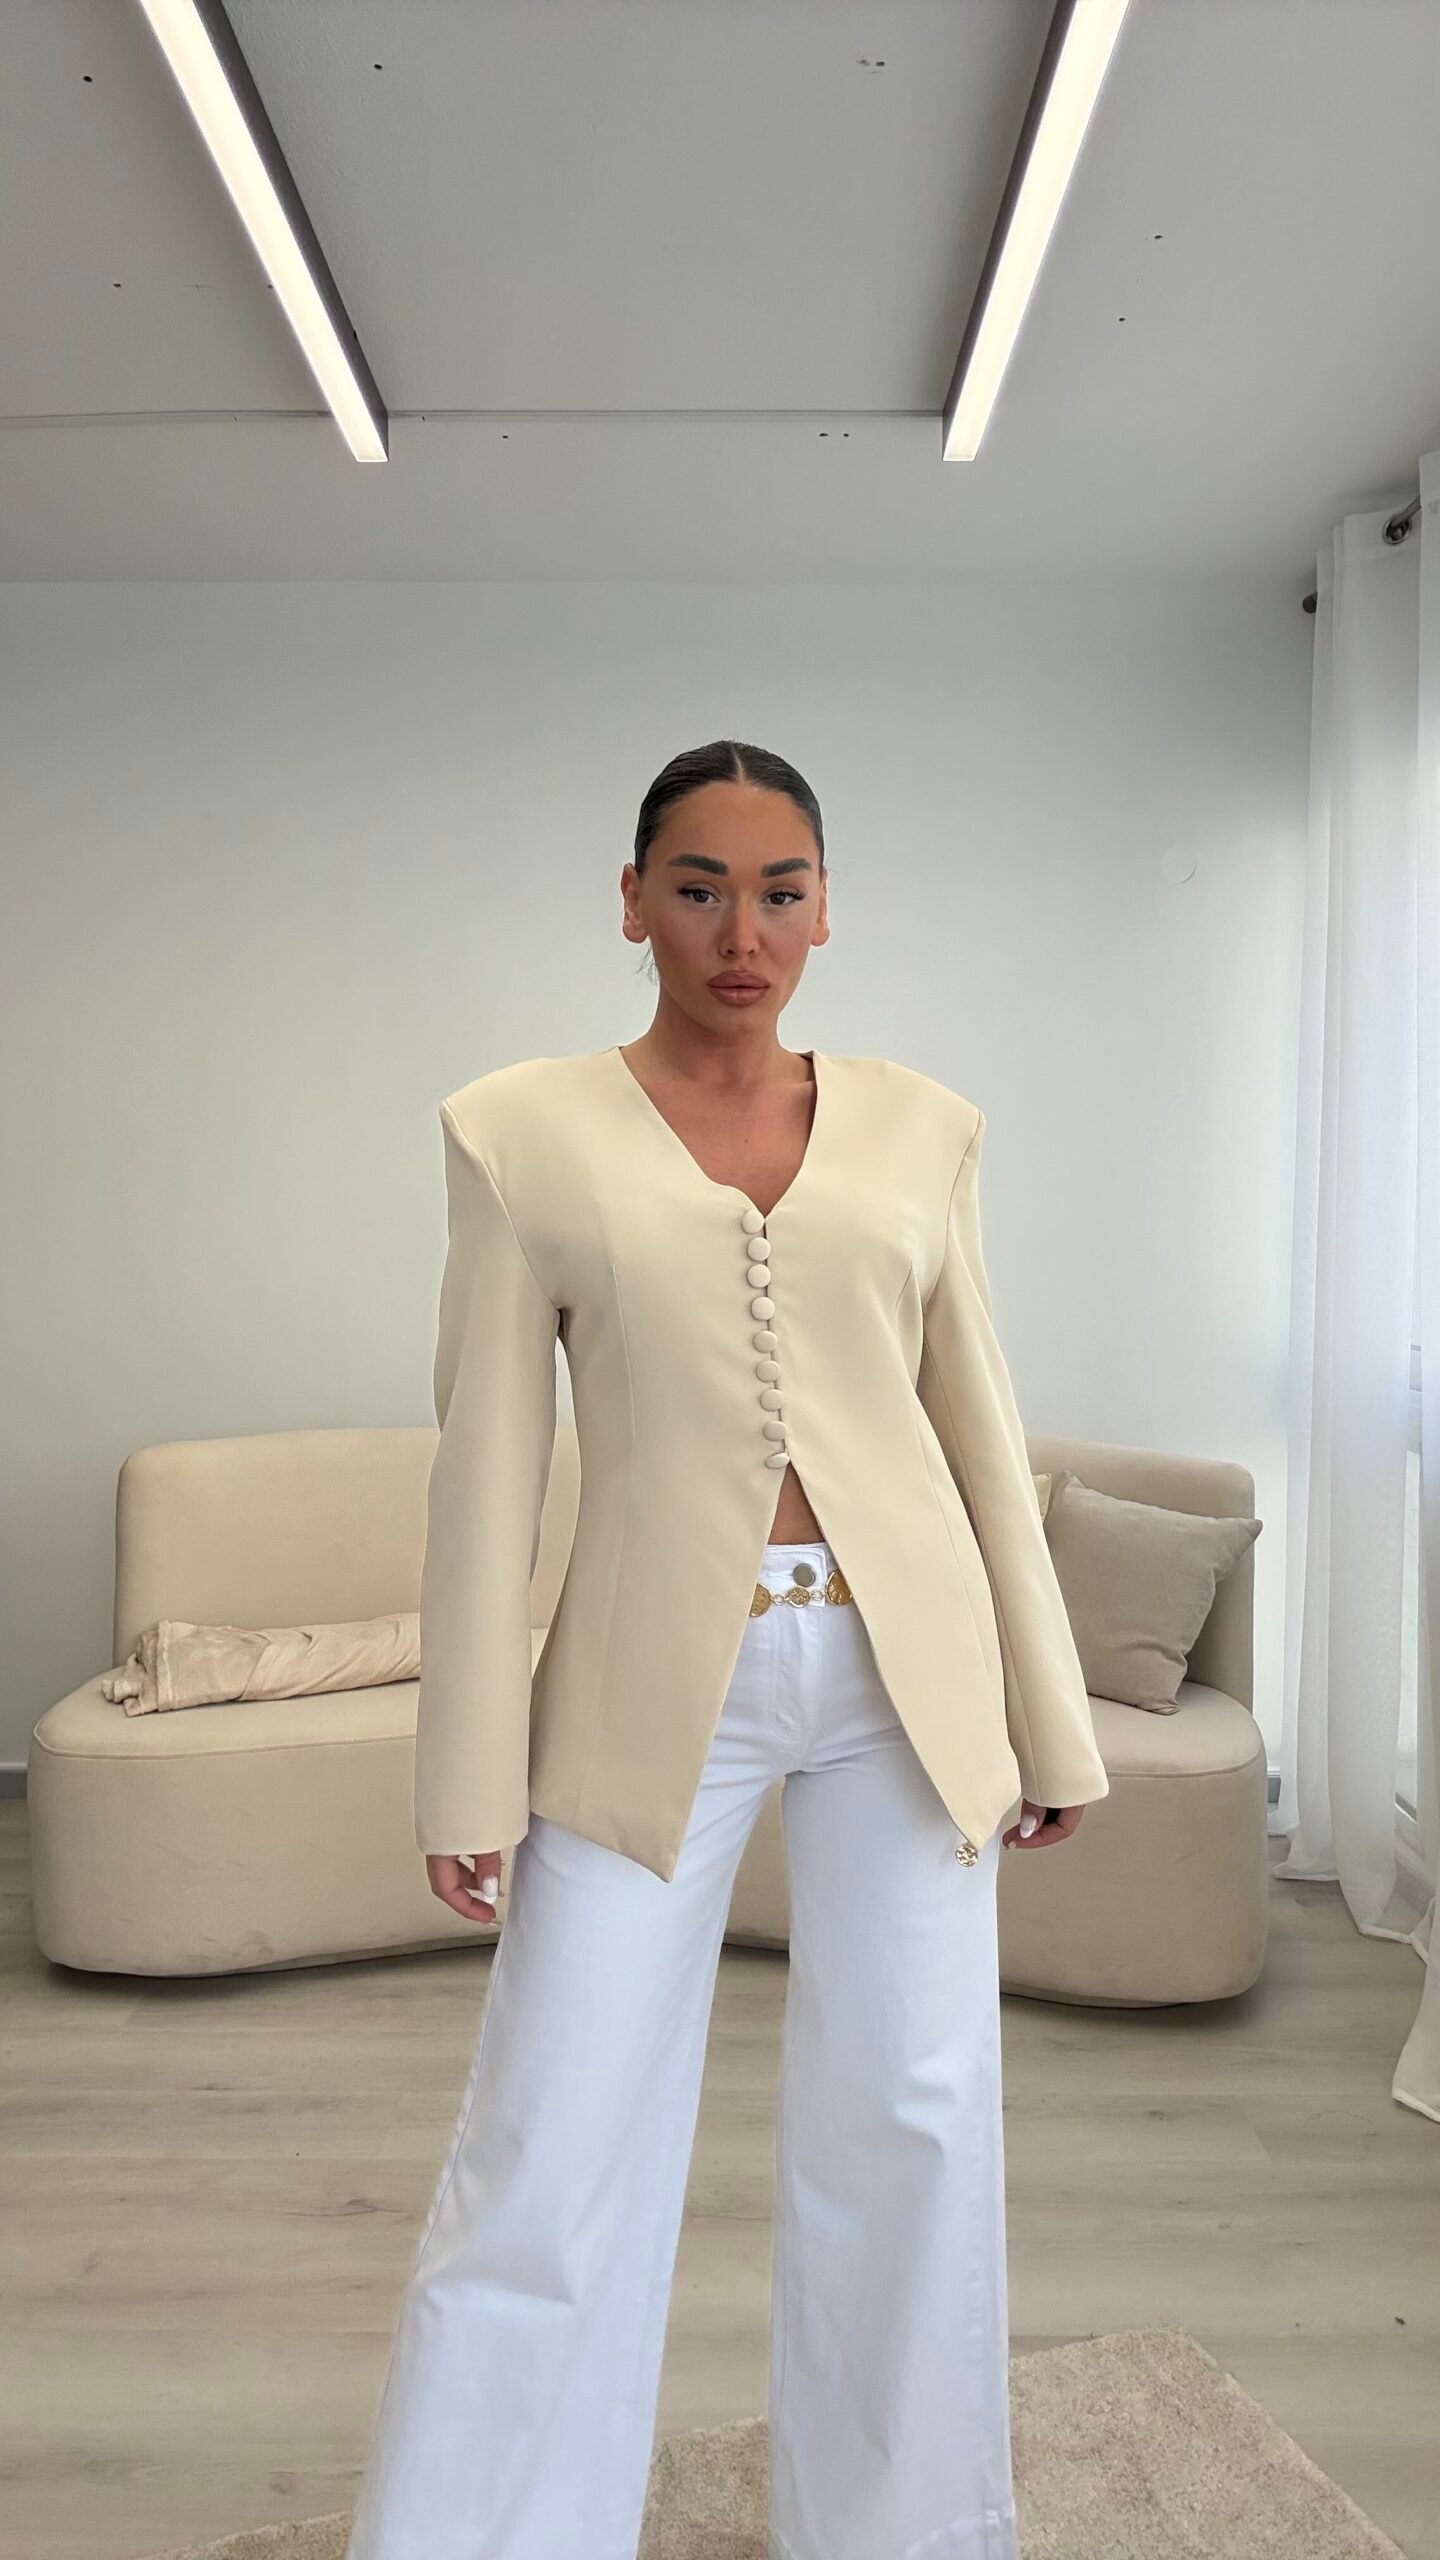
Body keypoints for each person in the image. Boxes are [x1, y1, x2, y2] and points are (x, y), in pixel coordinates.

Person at [342, 739, 1108, 2560]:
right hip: (640, 1696)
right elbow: (485, 1473)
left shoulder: (925, 1131)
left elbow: (980, 1433)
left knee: (913, 2124)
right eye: (697, 889)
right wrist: (466, 1774)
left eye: (779, 892)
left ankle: (903, 2534)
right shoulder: (517, 1134)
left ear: (827, 910)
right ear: (633, 904)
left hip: (902, 1684)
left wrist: (1050, 1718)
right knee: (552, 2135)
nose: (739, 933)